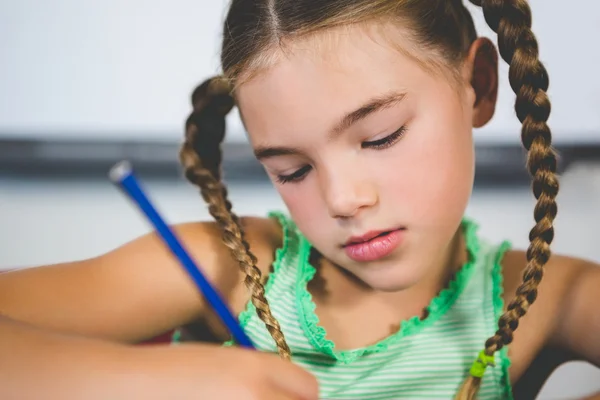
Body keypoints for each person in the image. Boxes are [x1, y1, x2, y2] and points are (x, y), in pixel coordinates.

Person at [1, 0, 599, 399]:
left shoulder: (551, 297)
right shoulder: (229, 269)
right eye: (291, 170)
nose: (343, 199)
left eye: (381, 136)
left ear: (481, 86)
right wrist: (182, 381)